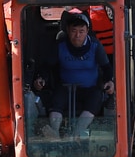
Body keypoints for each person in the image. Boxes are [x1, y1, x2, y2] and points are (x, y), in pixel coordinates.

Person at [33, 9, 114, 139]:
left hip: (90, 89)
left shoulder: (95, 46)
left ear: (87, 31)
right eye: (73, 31)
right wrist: (40, 79)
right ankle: (54, 134)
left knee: (95, 100)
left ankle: (75, 135)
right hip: (65, 87)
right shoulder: (60, 46)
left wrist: (109, 81)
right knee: (56, 102)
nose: (77, 35)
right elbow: (47, 66)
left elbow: (107, 67)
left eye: (81, 32)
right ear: (68, 31)